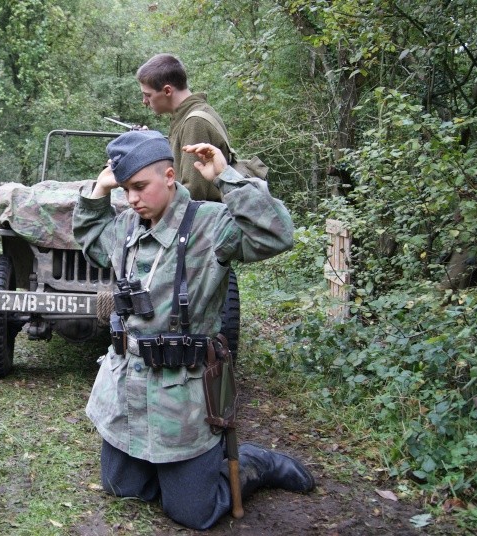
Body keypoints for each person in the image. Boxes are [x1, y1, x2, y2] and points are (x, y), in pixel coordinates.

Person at [73, 130, 314, 530]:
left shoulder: (210, 225)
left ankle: (252, 462)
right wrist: (99, 190)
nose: (131, 199)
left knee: (192, 513)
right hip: (128, 390)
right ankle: (171, 473)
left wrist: (227, 178)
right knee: (121, 487)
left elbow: (277, 234)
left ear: (170, 176)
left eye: (140, 187)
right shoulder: (127, 227)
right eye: (126, 189)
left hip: (182, 397)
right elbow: (92, 241)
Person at [136, 53, 231, 202]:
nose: (144, 101)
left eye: (148, 95)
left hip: (202, 221)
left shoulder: (194, 122)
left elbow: (192, 193)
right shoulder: (186, 116)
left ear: (167, 91)